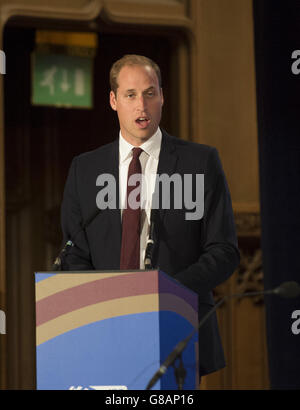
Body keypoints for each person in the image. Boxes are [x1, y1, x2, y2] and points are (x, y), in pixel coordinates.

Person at [60, 54, 240, 378]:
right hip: (104, 329)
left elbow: (223, 250)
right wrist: (102, 303)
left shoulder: (199, 162)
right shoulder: (84, 170)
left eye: (150, 93)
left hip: (177, 325)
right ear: (113, 100)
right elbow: (75, 252)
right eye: (130, 95)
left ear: (162, 97)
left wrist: (168, 293)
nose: (141, 105)